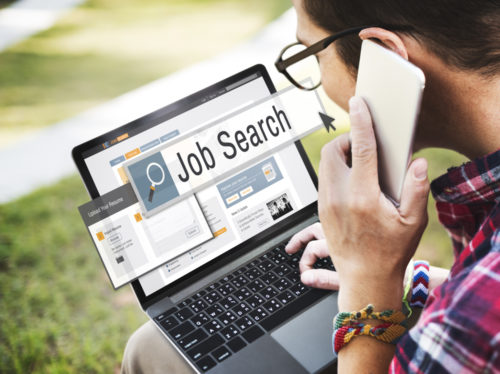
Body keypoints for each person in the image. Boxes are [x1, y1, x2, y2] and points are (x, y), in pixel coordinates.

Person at [121, 0, 500, 373]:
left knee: (147, 351)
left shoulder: (472, 327)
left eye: (313, 55)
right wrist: (405, 279)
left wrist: (368, 286)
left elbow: (474, 315)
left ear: (387, 58)